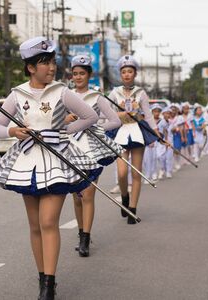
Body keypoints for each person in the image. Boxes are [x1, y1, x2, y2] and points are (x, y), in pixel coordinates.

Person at [0, 37, 100, 300]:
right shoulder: (18, 94)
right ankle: (42, 278)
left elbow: (90, 117)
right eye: (45, 63)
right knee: (35, 225)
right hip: (28, 164)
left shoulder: (61, 92)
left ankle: (49, 284)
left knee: (48, 222)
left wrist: (60, 132)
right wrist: (13, 131)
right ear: (30, 67)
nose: (52, 68)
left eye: (53, 62)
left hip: (56, 161)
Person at [66, 55, 121, 257]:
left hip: (92, 150)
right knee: (76, 196)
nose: (78, 77)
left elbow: (115, 121)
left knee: (88, 194)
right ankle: (81, 232)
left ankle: (86, 238)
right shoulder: (66, 95)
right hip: (71, 150)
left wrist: (95, 127)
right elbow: (58, 123)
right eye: (75, 73)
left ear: (89, 75)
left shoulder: (97, 97)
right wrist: (67, 121)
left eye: (82, 73)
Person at [109, 55, 161, 224]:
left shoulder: (141, 93)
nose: (127, 74)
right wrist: (121, 114)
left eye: (130, 71)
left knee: (136, 172)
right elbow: (106, 114)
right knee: (122, 173)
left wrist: (156, 132)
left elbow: (148, 115)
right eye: (124, 72)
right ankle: (125, 196)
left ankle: (132, 208)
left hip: (138, 133)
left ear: (135, 73)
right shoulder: (114, 93)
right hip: (120, 133)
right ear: (120, 74)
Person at [157, 106, 174, 179]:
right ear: (163, 114)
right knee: (161, 157)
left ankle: (168, 172)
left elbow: (171, 131)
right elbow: (161, 134)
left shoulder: (171, 122)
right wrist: (164, 142)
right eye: (166, 113)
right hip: (162, 143)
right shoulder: (161, 123)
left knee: (169, 157)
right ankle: (162, 169)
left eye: (169, 113)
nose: (168, 115)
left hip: (170, 142)